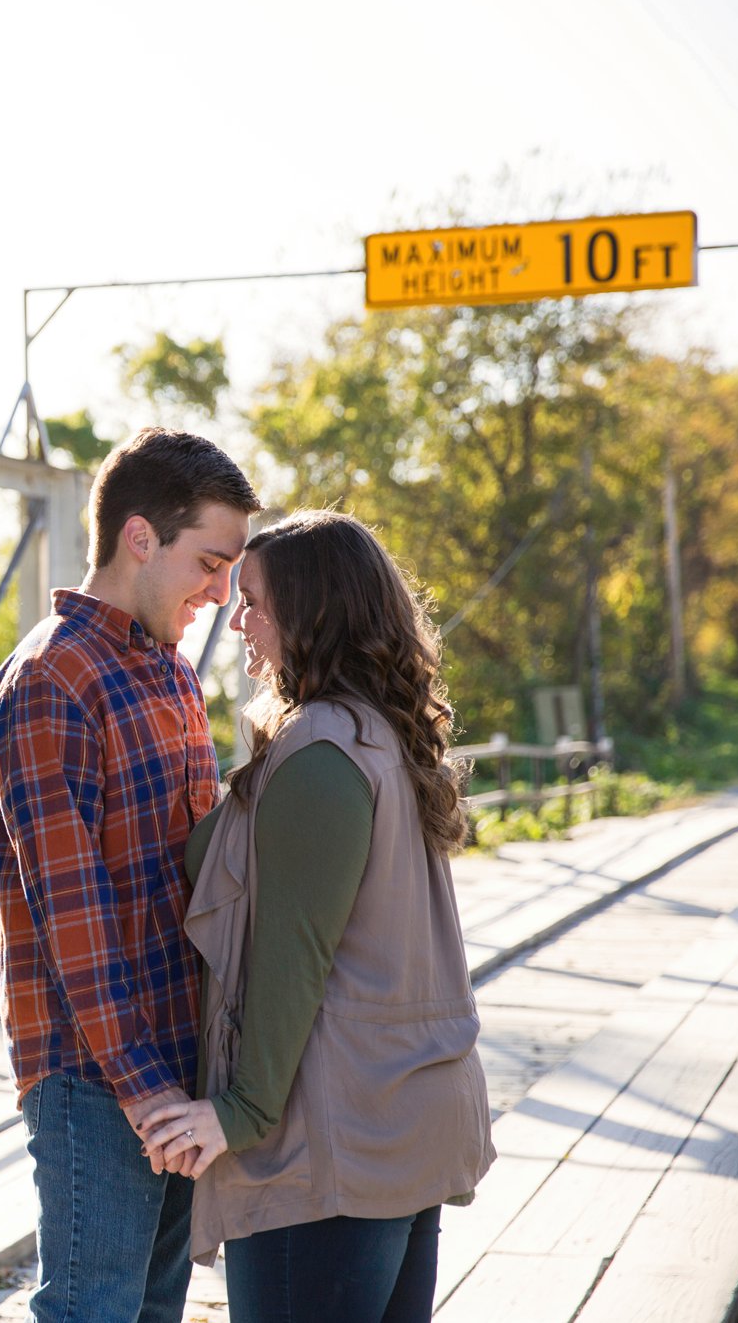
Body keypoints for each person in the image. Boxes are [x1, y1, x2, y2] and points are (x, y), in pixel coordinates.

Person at [141, 509, 495, 1323]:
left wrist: (240, 1112)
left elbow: (291, 956)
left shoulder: (320, 753)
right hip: (406, 1122)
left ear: (312, 612)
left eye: (255, 600)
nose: (237, 617)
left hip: (328, 1145)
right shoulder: (387, 739)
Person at [0, 426, 261, 1323]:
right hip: (99, 1077)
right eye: (210, 563)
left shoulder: (173, 675)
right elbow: (76, 920)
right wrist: (146, 1091)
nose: (221, 594)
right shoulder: (50, 680)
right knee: (90, 1313)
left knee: (154, 1313)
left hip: (181, 1062)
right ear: (140, 537)